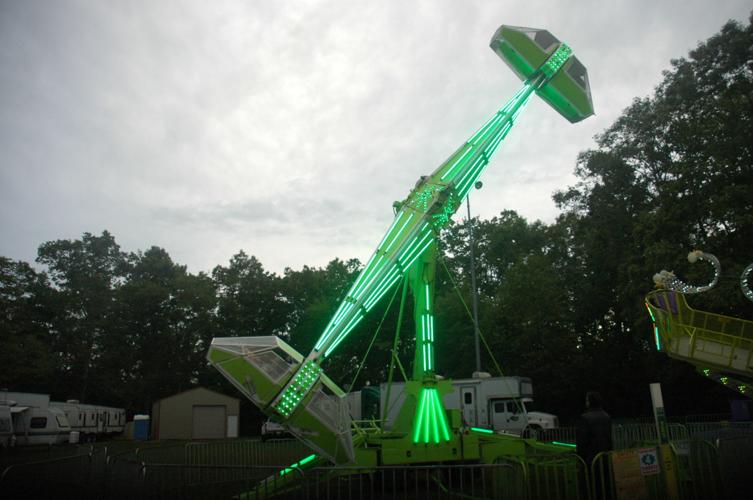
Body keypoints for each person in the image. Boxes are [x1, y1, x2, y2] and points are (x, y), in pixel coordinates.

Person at [576, 391, 613, 467]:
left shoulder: (585, 418)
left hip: (590, 457)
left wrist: (580, 456)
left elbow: (582, 440)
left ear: (590, 402)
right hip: (604, 455)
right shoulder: (606, 416)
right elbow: (609, 437)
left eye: (587, 400)